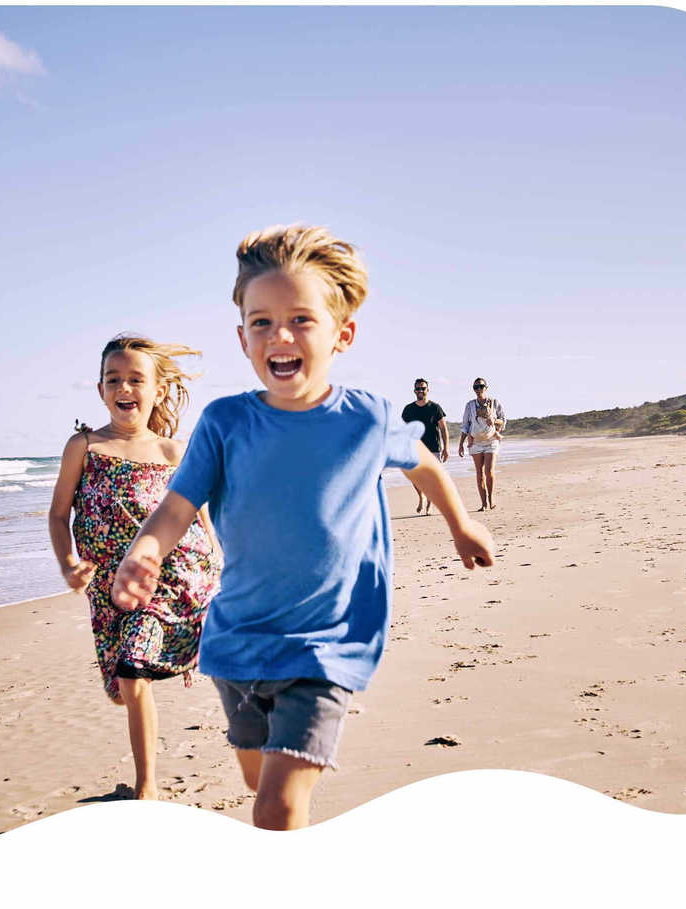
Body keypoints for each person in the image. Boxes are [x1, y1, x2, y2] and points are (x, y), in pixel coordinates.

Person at [111, 225, 495, 829]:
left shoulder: (365, 417)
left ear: (342, 334)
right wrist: (146, 552)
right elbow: (179, 504)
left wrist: (461, 523)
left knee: (278, 806)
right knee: (256, 782)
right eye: (261, 322)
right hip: (237, 643)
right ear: (242, 338)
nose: (279, 335)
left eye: (300, 320)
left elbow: (422, 464)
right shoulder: (225, 422)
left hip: (326, 645)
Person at [48, 335, 221, 801]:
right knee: (123, 683)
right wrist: (68, 563)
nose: (124, 387)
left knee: (131, 670)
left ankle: (147, 788)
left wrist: (219, 558)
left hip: (172, 577)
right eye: (114, 380)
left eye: (136, 379)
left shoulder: (172, 452)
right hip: (108, 586)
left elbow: (198, 514)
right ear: (101, 389)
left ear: (158, 390)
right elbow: (59, 513)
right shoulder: (83, 446)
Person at [401, 378, 449, 515]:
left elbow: (443, 428)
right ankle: (421, 496)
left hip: (434, 448)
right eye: (418, 388)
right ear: (414, 391)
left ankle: (429, 503)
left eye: (423, 388)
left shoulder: (435, 408)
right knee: (415, 477)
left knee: (433, 478)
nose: (420, 391)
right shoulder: (409, 409)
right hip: (415, 448)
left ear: (427, 390)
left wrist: (446, 448)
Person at [458, 377, 507, 511]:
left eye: (481, 386)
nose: (479, 389)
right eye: (476, 387)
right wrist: (461, 444)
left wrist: (494, 420)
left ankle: (491, 500)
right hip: (476, 441)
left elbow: (503, 420)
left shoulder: (494, 402)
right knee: (479, 473)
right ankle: (483, 503)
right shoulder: (470, 405)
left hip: (491, 440)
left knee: (489, 471)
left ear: (486, 388)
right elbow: (465, 425)